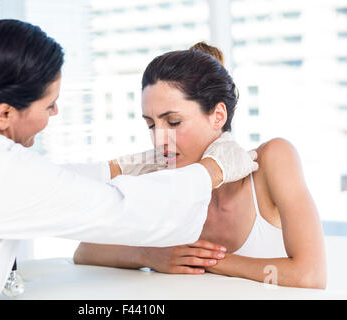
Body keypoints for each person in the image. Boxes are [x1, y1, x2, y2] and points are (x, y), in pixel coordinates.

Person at [0, 20, 257, 299]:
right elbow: (123, 213)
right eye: (48, 103)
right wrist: (213, 169)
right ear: (5, 113)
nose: (56, 112)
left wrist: (120, 167)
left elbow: (46, 181)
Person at [73, 42, 327, 289]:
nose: (158, 140)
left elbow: (310, 274)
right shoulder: (163, 177)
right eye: (151, 125)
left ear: (218, 116)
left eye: (173, 122)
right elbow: (85, 250)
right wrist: (149, 255)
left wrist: (209, 260)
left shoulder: (273, 159)